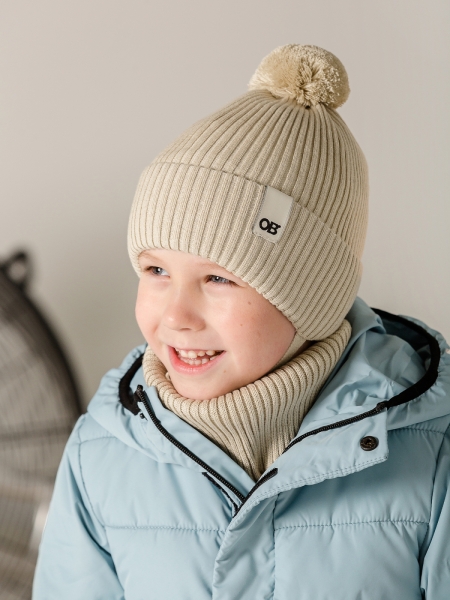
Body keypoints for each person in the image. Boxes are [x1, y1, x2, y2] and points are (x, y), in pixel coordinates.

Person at [33, 44, 450, 599]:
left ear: (311, 297)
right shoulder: (103, 454)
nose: (175, 315)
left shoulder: (433, 449)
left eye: (218, 278)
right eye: (156, 270)